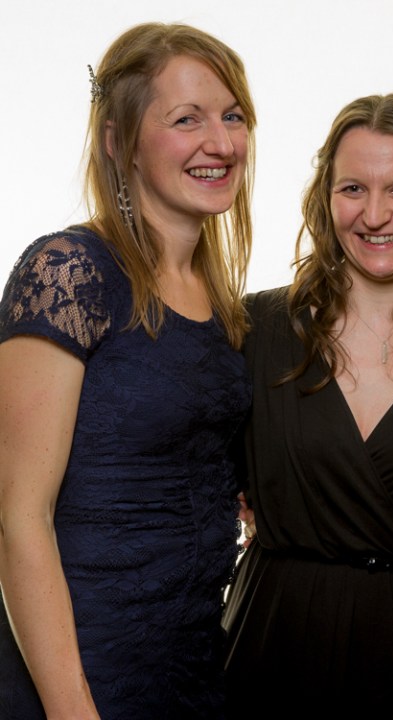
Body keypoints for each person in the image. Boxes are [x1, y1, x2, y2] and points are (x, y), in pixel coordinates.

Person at [0, 22, 256, 720]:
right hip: (83, 677)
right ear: (119, 142)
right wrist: (71, 709)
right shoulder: (68, 271)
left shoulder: (222, 302)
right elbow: (19, 517)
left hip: (191, 670)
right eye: (187, 119)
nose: (221, 143)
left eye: (233, 116)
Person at [221, 93, 393, 719]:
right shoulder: (253, 329)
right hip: (269, 643)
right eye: (352, 189)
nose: (374, 215)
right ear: (325, 197)